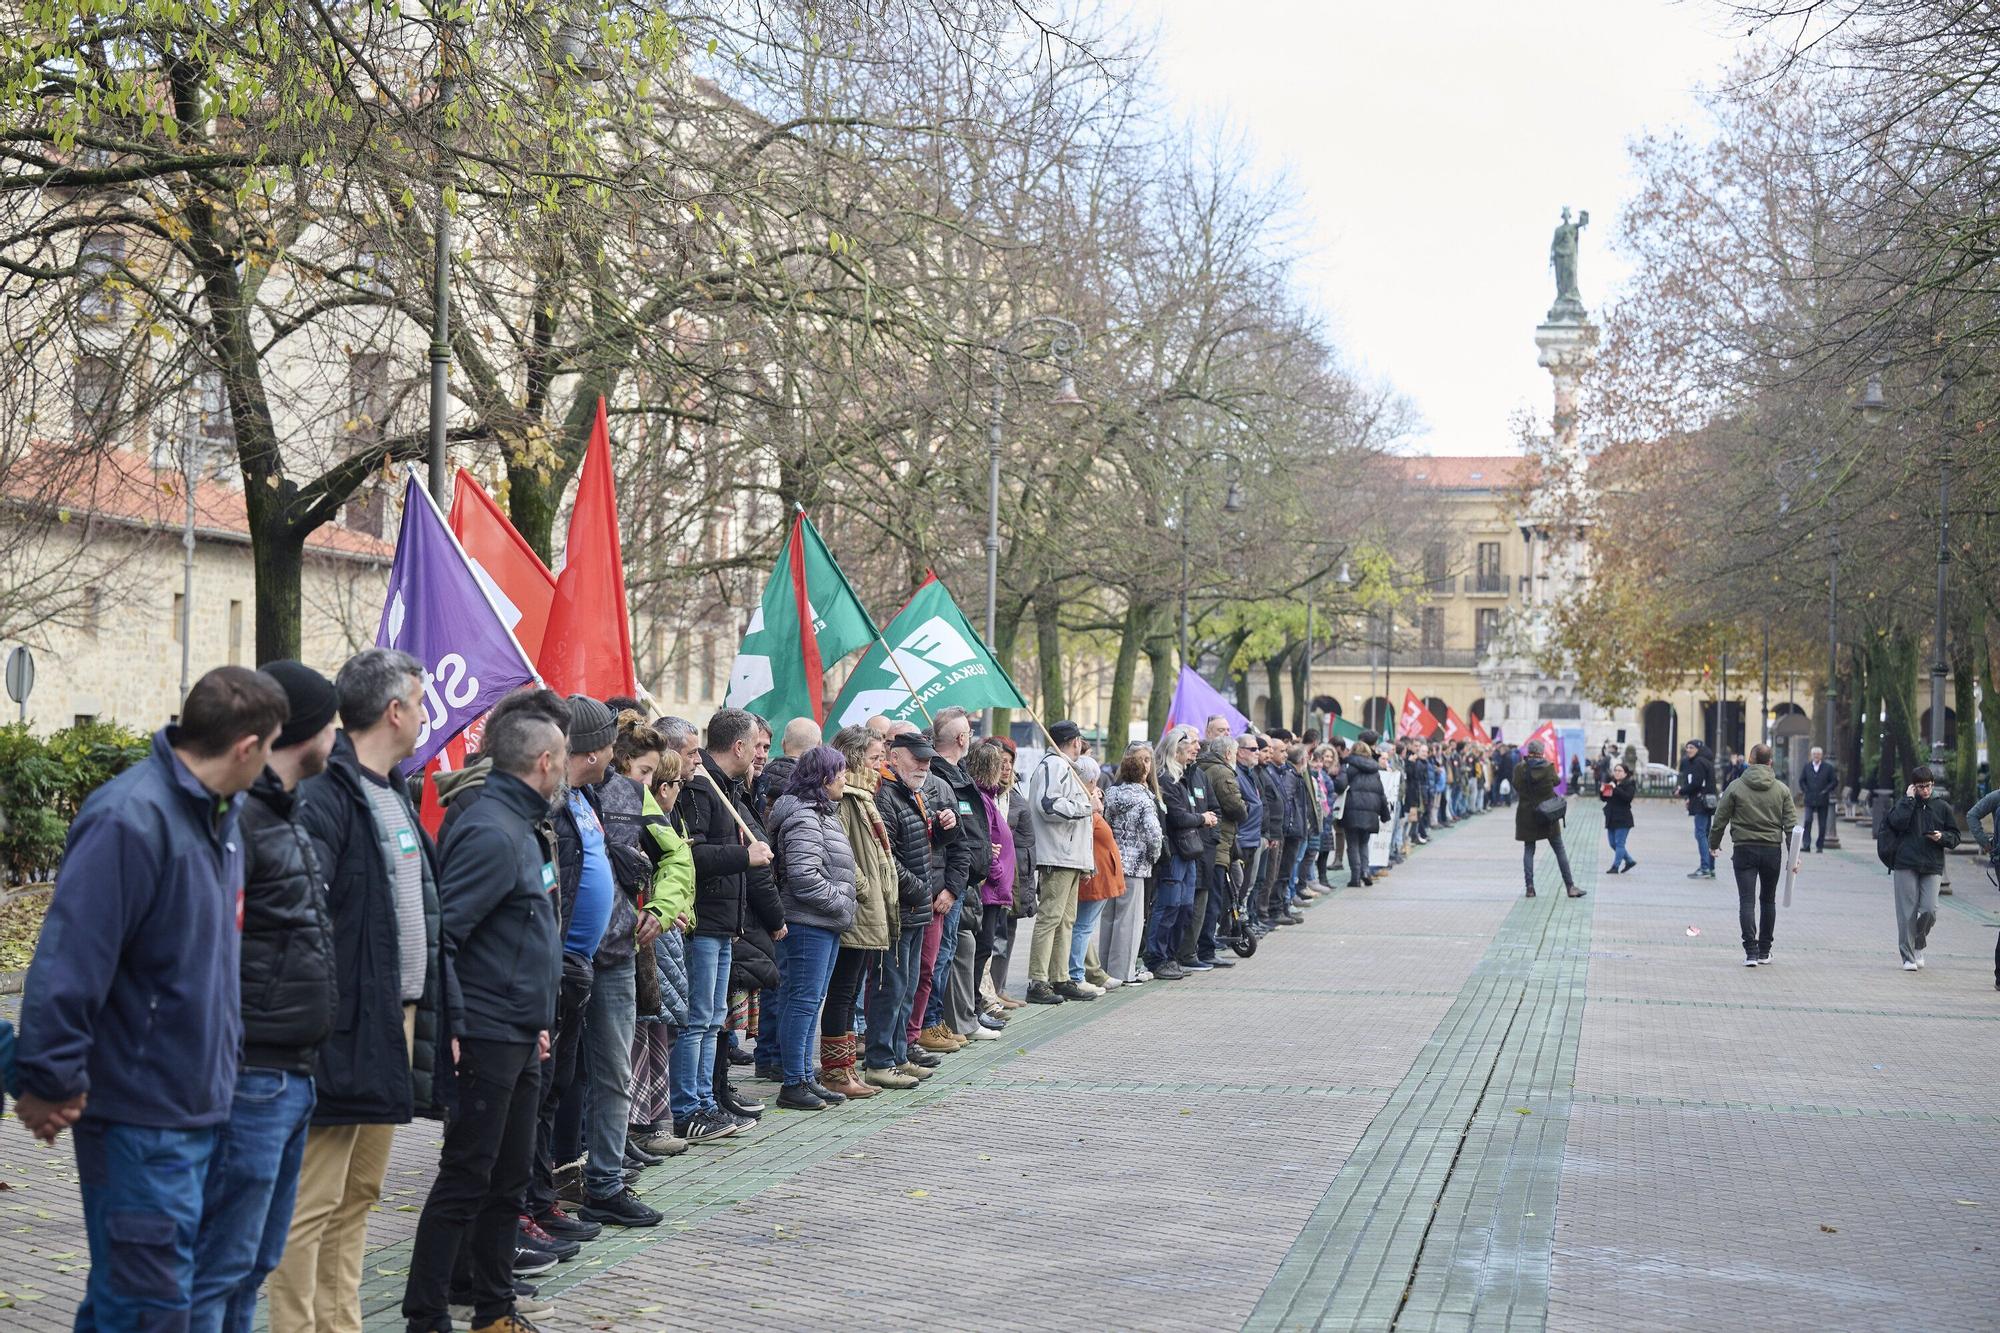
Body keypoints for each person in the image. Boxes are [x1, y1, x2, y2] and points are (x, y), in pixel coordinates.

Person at [15, 667, 286, 1331]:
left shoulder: (217, 816)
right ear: (248, 747)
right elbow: (69, 964)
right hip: (141, 1118)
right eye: (273, 747)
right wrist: (50, 1079)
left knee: (128, 1301)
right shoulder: (130, 818)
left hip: (193, 1110)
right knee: (147, 1310)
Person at [273, 648, 446, 1333]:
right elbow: (304, 920)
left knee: (360, 1191)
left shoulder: (394, 788)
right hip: (344, 1022)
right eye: (422, 701)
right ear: (394, 709)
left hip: (393, 1019)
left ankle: (339, 1321)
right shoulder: (326, 794)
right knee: (313, 1197)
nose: (428, 714)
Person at [400, 689, 570, 1333]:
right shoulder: (492, 829)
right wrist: (458, 1026)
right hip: (488, 1034)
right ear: (547, 762)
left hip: (522, 1031)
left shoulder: (521, 823)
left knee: (508, 1179)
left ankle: (494, 1311)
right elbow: (447, 934)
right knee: (467, 1176)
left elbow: (523, 934)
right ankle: (425, 1315)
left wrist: (539, 1021)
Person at [192, 662, 340, 1333]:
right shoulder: (239, 820)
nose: (339, 732)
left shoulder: (287, 814)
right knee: (220, 1266)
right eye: (331, 720)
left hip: (291, 1072)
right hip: (251, 1073)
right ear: (299, 731)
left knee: (253, 1263)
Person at [672, 708, 779, 1142]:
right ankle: (689, 1107)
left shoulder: (727, 786)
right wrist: (744, 857)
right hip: (705, 921)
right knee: (698, 1019)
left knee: (714, 1017)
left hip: (724, 922)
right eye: (756, 744)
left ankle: (707, 1101)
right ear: (738, 746)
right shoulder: (702, 787)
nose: (759, 754)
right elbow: (691, 855)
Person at [580, 711, 669, 1227]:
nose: (650, 780)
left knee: (614, 1070)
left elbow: (675, 854)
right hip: (566, 954)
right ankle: (550, 1181)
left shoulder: (626, 793)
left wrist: (658, 906)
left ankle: (606, 1183)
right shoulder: (553, 794)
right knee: (559, 1082)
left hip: (617, 947)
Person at [763, 745, 860, 1109]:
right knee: (801, 1002)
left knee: (809, 1001)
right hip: (808, 922)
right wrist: (841, 903)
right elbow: (804, 876)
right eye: (841, 772)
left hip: (824, 922)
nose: (845, 778)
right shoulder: (804, 817)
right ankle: (793, 1083)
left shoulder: (823, 814)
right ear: (824, 777)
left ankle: (805, 1075)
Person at [865, 731, 945, 1078]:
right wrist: (918, 890)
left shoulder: (913, 794)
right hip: (899, 909)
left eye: (927, 759)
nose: (925, 766)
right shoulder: (887, 796)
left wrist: (946, 831)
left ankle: (897, 1056)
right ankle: (881, 1061)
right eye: (918, 759)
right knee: (891, 987)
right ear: (894, 757)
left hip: (914, 908)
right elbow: (887, 859)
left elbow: (921, 848)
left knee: (906, 986)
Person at [825, 727, 899, 1094]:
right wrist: (865, 887)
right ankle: (836, 1073)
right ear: (854, 758)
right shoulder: (844, 799)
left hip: (866, 909)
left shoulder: (863, 796)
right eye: (874, 757)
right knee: (842, 991)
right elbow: (840, 852)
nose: (880, 764)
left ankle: (847, 1069)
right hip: (854, 907)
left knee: (851, 989)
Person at [914, 708, 985, 1053]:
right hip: (944, 885)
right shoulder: (940, 780)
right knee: (936, 958)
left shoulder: (956, 775)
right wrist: (952, 887)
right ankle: (928, 1023)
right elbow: (951, 842)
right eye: (969, 733)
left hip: (957, 881)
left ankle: (935, 1020)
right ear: (961, 738)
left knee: (944, 954)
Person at [1708, 742, 1799, 966]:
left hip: (1744, 849)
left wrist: (1714, 844)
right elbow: (1791, 826)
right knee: (1768, 900)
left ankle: (1750, 951)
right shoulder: (1781, 789)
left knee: (1746, 901)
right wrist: (1794, 856)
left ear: (1749, 761)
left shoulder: (1735, 787)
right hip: (1771, 851)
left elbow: (1720, 818)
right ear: (1770, 762)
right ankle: (1765, 951)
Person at [1025, 720, 1096, 1002]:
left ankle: (1059, 976)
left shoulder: (1063, 767)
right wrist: (1085, 806)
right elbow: (1048, 804)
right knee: (1051, 918)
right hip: (1058, 854)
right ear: (1075, 741)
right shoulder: (1054, 765)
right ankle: (1039, 979)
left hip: (1069, 855)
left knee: (1065, 919)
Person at [1146, 725, 1213, 979]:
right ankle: (1157, 958)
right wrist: (1201, 818)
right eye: (1193, 744)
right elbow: (1176, 816)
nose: (1197, 748)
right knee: (1169, 905)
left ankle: (1171, 956)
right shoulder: (1166, 780)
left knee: (1185, 907)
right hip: (1175, 853)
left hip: (1188, 854)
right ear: (1177, 748)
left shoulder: (1182, 779)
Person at [964, 740, 1020, 1022]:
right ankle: (974, 1007)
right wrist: (997, 876)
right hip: (989, 889)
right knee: (981, 947)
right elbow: (988, 843)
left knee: (983, 948)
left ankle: (977, 1004)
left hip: (995, 890)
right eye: (999, 765)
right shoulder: (982, 800)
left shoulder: (988, 798)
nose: (1005, 770)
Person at [1885, 767, 1959, 971]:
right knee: (1906, 912)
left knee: (1930, 909)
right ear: (1913, 787)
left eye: (1927, 786)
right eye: (1920, 787)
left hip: (1932, 863)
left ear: (1933, 784)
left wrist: (1941, 837)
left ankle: (1918, 943)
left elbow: (1955, 836)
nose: (1924, 791)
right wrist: (1909, 800)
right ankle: (1908, 956)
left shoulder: (1942, 807)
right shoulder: (1905, 803)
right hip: (1905, 863)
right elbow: (1895, 823)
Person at [1101, 746, 1163, 985]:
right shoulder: (1145, 799)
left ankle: (1105, 969)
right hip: (1136, 866)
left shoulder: (1112, 794)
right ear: (1143, 774)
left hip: (1111, 863)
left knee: (1109, 918)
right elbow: (1153, 834)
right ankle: (1123, 972)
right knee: (1130, 921)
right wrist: (1154, 856)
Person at [1515, 739, 1582, 898]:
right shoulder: (1548, 767)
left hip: (1527, 814)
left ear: (1528, 752)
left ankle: (1530, 887)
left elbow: (1516, 785)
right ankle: (1570, 887)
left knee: (1529, 850)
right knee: (1559, 850)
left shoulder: (1519, 768)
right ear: (1542, 752)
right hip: (1548, 814)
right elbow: (1557, 781)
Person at [1336, 742, 1386, 887]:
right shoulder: (1374, 769)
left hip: (1351, 810)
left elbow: (1340, 785)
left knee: (1352, 845)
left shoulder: (1348, 766)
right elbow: (1381, 793)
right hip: (1371, 812)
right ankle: (1365, 871)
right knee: (1364, 844)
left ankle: (1355, 877)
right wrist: (1385, 815)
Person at [1677, 740, 1718, 879]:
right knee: (1707, 835)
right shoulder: (1706, 761)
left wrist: (1681, 791)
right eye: (1687, 747)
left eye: (1691, 747)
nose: (1688, 750)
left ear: (1698, 749)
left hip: (1701, 803)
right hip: (1708, 802)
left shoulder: (1699, 762)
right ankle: (1711, 868)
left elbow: (1696, 783)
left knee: (1700, 834)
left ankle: (1705, 867)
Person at [1800, 746, 1839, 852]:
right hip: (1809, 798)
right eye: (1814, 754)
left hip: (1823, 799)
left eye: (1818, 754)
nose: (1816, 756)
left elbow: (1834, 781)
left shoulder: (1828, 768)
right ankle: (1806, 845)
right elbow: (1802, 780)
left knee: (1822, 824)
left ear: (1821, 756)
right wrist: (1806, 790)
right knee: (1808, 821)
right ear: (1811, 755)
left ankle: (1820, 846)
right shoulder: (1807, 767)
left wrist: (1826, 790)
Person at [1601, 762, 1638, 874]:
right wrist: (1602, 791)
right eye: (1615, 770)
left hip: (1623, 818)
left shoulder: (1630, 784)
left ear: (1625, 773)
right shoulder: (1612, 783)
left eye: (1620, 770)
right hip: (1611, 817)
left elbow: (1627, 798)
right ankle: (1629, 860)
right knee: (1613, 843)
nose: (1617, 772)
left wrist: (1615, 788)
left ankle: (1615, 867)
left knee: (1620, 844)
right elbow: (1605, 799)